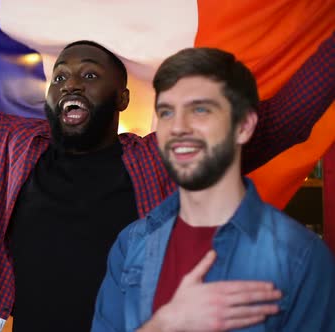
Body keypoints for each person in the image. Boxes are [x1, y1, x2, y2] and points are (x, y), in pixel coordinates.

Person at [0, 1, 335, 331]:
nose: (70, 82)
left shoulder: (158, 159)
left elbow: (277, 124)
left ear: (121, 95)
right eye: (61, 76)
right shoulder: (15, 146)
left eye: (89, 74)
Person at [92, 47, 335, 332]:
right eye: (167, 112)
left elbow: (294, 112)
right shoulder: (132, 243)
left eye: (200, 109)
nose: (178, 127)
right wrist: (167, 324)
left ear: (244, 126)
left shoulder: (300, 255)